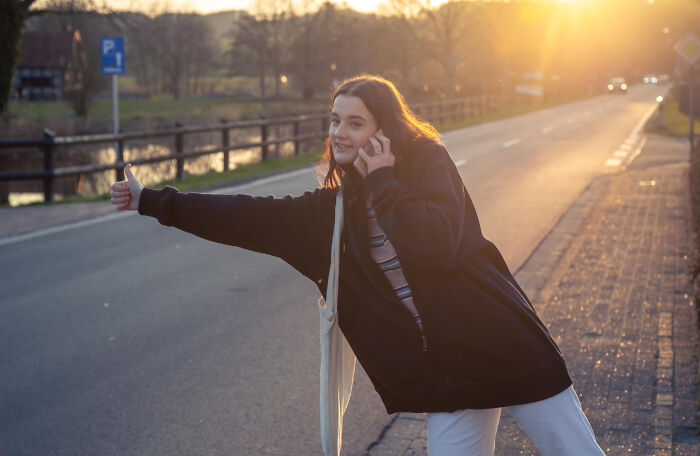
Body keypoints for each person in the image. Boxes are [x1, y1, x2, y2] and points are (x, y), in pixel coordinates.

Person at [110, 74, 606, 456]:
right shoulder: (329, 213)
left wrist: (386, 181)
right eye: (334, 120)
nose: (339, 132)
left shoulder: (428, 162)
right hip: (453, 379)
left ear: (383, 130)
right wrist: (150, 201)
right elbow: (244, 216)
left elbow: (435, 243)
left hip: (507, 347)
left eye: (355, 121)